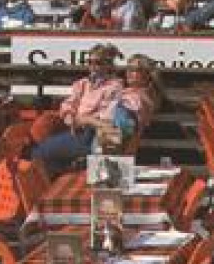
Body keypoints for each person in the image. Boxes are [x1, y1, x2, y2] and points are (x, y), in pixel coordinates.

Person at [30, 45, 124, 174]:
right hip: (75, 129)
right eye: (89, 62)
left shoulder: (114, 86)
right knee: (39, 150)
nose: (93, 66)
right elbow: (68, 105)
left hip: (93, 134)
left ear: (108, 65)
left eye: (98, 63)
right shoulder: (82, 84)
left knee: (39, 153)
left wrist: (84, 120)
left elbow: (107, 115)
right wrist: (71, 118)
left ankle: (66, 175)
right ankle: (65, 176)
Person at [100, 54, 164, 152]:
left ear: (146, 74)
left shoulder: (143, 96)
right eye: (128, 68)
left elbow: (129, 118)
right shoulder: (126, 91)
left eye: (134, 69)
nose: (129, 72)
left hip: (119, 139)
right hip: (108, 135)